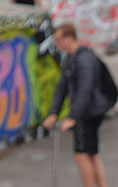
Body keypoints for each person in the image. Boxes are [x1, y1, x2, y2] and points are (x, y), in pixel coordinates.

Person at [44, 23, 113, 187]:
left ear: (68, 38)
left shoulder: (83, 60)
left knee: (83, 155)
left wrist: (73, 117)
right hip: (89, 111)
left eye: (58, 39)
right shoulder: (72, 58)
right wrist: (54, 112)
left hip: (88, 114)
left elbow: (85, 90)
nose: (57, 43)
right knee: (91, 154)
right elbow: (62, 87)